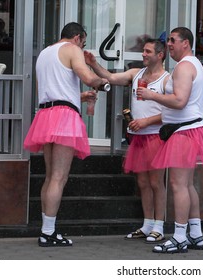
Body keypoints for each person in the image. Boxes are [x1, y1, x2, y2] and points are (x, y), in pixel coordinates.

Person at [138, 27, 203, 253]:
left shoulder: (184, 67)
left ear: (185, 43)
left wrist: (151, 95)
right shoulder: (194, 64)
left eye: (172, 40)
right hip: (191, 129)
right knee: (187, 185)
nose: (168, 44)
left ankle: (179, 237)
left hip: (184, 131)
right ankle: (195, 234)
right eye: (168, 40)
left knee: (179, 186)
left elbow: (179, 101)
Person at [23, 22, 108, 247]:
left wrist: (79, 96)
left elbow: (52, 90)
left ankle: (47, 229)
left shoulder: (44, 53)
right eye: (84, 43)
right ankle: (48, 233)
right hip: (64, 117)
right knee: (59, 178)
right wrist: (101, 82)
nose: (83, 47)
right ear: (77, 38)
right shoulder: (72, 49)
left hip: (46, 114)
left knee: (51, 177)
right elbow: (87, 77)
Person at [85, 38, 169, 243]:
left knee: (156, 182)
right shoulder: (136, 73)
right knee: (142, 182)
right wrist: (93, 63)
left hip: (156, 135)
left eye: (148, 51)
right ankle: (147, 224)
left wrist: (147, 121)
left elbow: (173, 110)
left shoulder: (167, 79)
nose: (143, 54)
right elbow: (111, 77)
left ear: (160, 55)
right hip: (138, 137)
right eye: (143, 51)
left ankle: (159, 225)